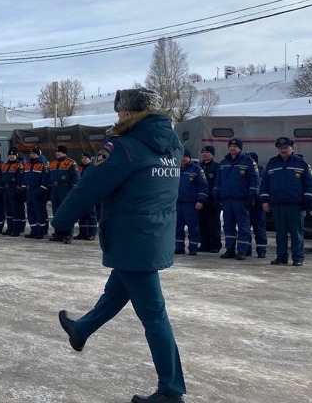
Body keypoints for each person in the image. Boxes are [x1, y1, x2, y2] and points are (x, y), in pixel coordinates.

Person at [52, 88, 187, 403]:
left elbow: (89, 186)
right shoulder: (174, 145)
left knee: (155, 315)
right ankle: (81, 329)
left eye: (119, 113)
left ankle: (171, 390)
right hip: (155, 234)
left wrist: (61, 221)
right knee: (116, 291)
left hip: (130, 237)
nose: (118, 118)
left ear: (128, 114)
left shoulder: (124, 147)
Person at [260, 137, 312, 267]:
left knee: (296, 233)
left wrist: (309, 199)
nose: (283, 150)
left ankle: (298, 258)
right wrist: (264, 201)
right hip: (278, 205)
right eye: (281, 148)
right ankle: (281, 257)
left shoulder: (301, 164)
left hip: (295, 206)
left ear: (292, 147)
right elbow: (265, 184)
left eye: (286, 147)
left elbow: (310, 184)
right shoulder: (272, 163)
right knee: (280, 233)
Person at [214, 138, 259, 261]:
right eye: (231, 146)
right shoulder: (223, 163)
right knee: (228, 226)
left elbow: (255, 180)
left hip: (241, 200)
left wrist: (251, 196)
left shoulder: (248, 162)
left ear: (240, 148)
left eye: (235, 146)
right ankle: (230, 249)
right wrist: (216, 195)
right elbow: (218, 181)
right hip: (227, 200)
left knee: (243, 226)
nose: (232, 148)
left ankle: (242, 251)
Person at [175, 149, 207, 255]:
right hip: (178, 202)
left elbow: (203, 186)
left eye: (185, 156)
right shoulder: (175, 169)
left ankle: (193, 247)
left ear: (189, 158)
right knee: (178, 226)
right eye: (181, 156)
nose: (183, 159)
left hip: (191, 203)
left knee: (193, 226)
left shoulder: (196, 169)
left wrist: (200, 201)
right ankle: (179, 246)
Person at [48, 145, 80, 244]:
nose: (57, 153)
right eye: (56, 152)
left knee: (67, 212)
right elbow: (49, 177)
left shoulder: (71, 163)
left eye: (60, 152)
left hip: (65, 189)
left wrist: (73, 190)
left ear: (65, 153)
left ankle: (68, 234)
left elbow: (76, 178)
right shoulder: (52, 163)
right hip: (55, 189)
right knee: (56, 212)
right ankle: (58, 233)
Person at [197, 146, 222, 253]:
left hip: (212, 200)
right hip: (201, 200)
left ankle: (215, 245)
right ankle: (204, 244)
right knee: (202, 223)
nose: (204, 154)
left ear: (212, 154)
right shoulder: (198, 167)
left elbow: (219, 182)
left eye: (207, 152)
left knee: (214, 223)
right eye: (203, 152)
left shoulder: (217, 167)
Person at [246, 152, 267, 258]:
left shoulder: (262, 172)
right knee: (245, 228)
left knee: (259, 228)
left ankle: (261, 250)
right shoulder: (246, 171)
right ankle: (247, 249)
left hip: (258, 205)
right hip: (247, 204)